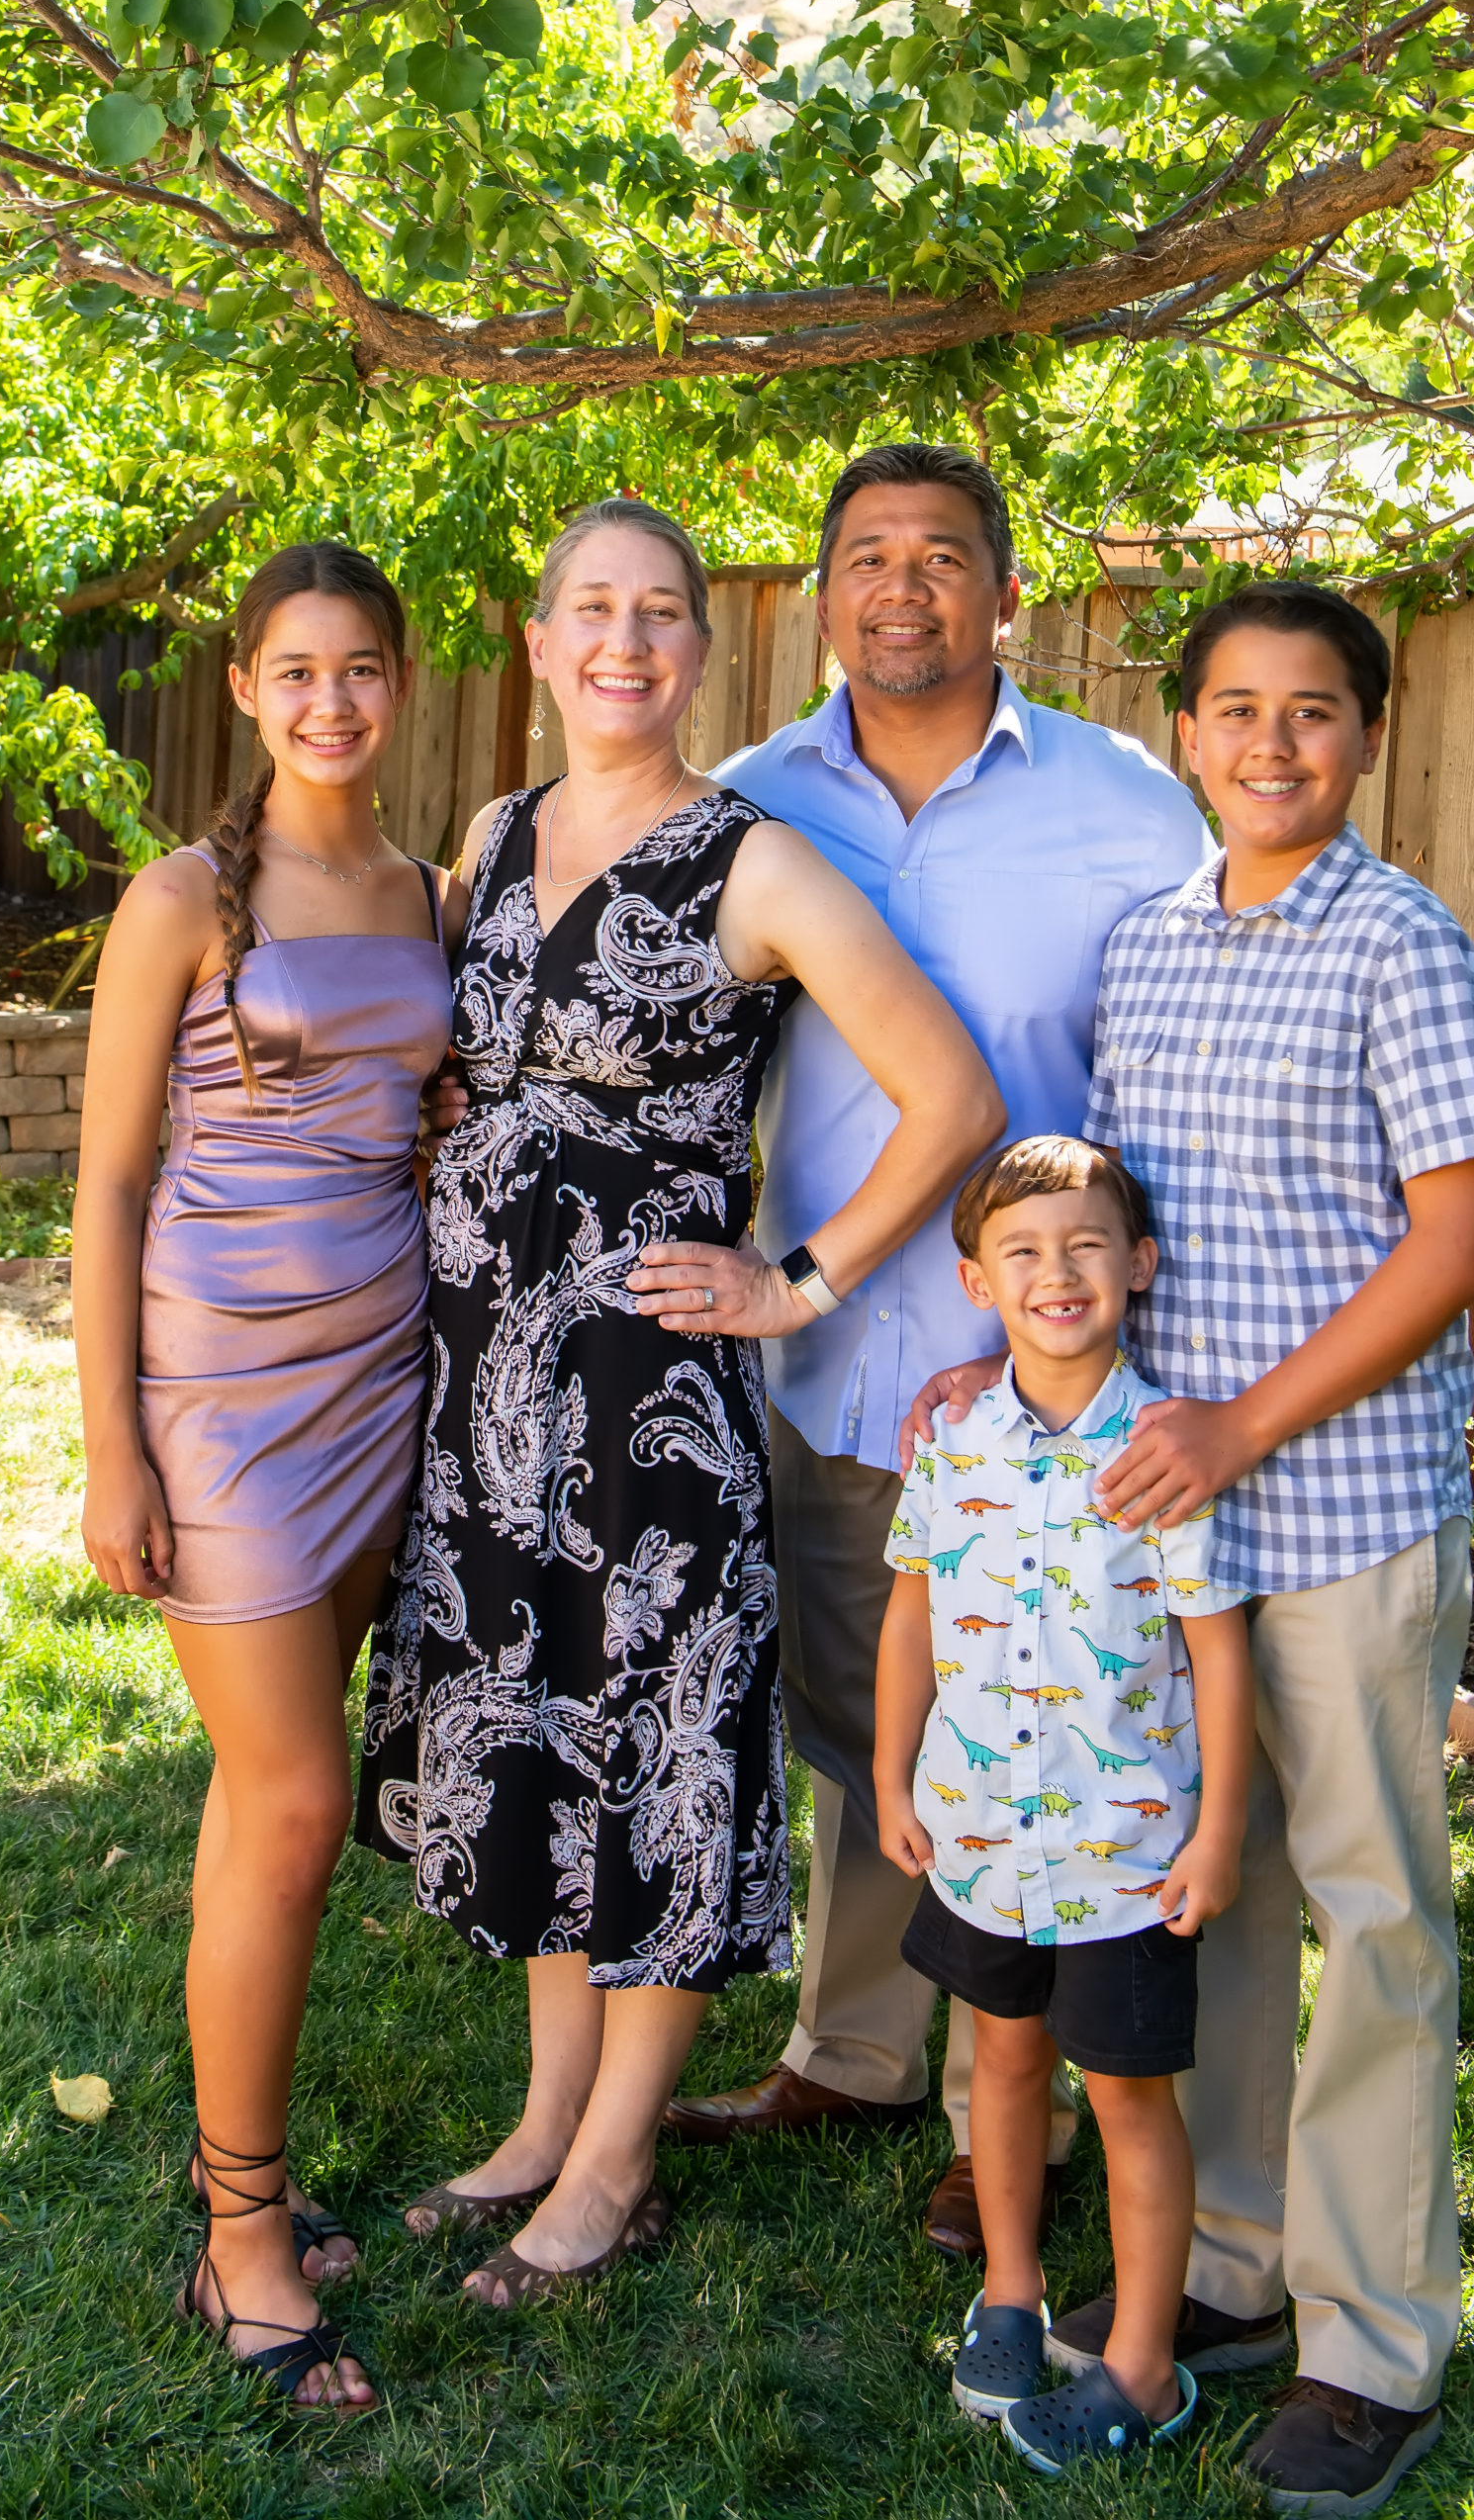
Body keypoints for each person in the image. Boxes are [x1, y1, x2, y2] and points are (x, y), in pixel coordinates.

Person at [355, 497, 1002, 2305]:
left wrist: (795, 1283)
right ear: (544, 641)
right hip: (484, 1385)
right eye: (592, 610)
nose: (626, 642)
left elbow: (952, 1097)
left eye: (662, 615)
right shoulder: (491, 839)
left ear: (706, 652)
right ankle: (551, 2110)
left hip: (648, 1397)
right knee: (533, 1732)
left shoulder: (758, 863)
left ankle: (623, 2155)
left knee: (644, 1744)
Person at [909, 580, 1474, 2513]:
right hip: (1162, 1542)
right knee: (1208, 1897)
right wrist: (989, 1365)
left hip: (1333, 1510)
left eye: (1311, 709)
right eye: (1234, 707)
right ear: (1187, 735)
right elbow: (1090, 1221)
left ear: (1365, 734)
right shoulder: (1153, 946)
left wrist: (1245, 1419)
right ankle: (1236, 2264)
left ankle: (1372, 2337)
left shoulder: (1400, 944)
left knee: (1371, 1913)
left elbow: (1459, 1232)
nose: (1270, 741)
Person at [658, 440, 1217, 2258]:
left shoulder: (1131, 808)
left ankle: (1035, 2100)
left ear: (1006, 591)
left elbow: (1182, 1082)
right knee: (863, 1715)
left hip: (1056, 1389)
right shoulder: (739, 803)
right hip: (828, 1358)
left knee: (1066, 1727)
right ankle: (858, 2047)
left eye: (946, 558)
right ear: (822, 593)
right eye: (870, 557)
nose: (906, 589)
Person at [74, 541, 458, 2414]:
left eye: (362, 669)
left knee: (259, 1800)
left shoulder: (422, 885)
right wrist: (110, 1443)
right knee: (301, 1805)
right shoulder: (185, 897)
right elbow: (110, 1183)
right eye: (295, 671)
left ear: (400, 682)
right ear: (245, 688)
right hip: (220, 1395)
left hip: (383, 1374)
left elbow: (422, 1109)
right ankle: (236, 2240)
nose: (331, 701)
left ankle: (260, 2187)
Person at [873, 1135, 1252, 2475]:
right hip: (979, 1832)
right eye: (1024, 1252)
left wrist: (1213, 1835)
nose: (1059, 1273)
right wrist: (887, 1768)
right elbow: (911, 1610)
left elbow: (1216, 1648)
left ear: (1138, 1265)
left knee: (1130, 2097)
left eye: (1087, 1245)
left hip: (1126, 1858)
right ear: (978, 1282)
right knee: (1004, 2061)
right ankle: (1015, 2296)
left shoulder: (1161, 1452)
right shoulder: (950, 1443)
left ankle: (1144, 2366)